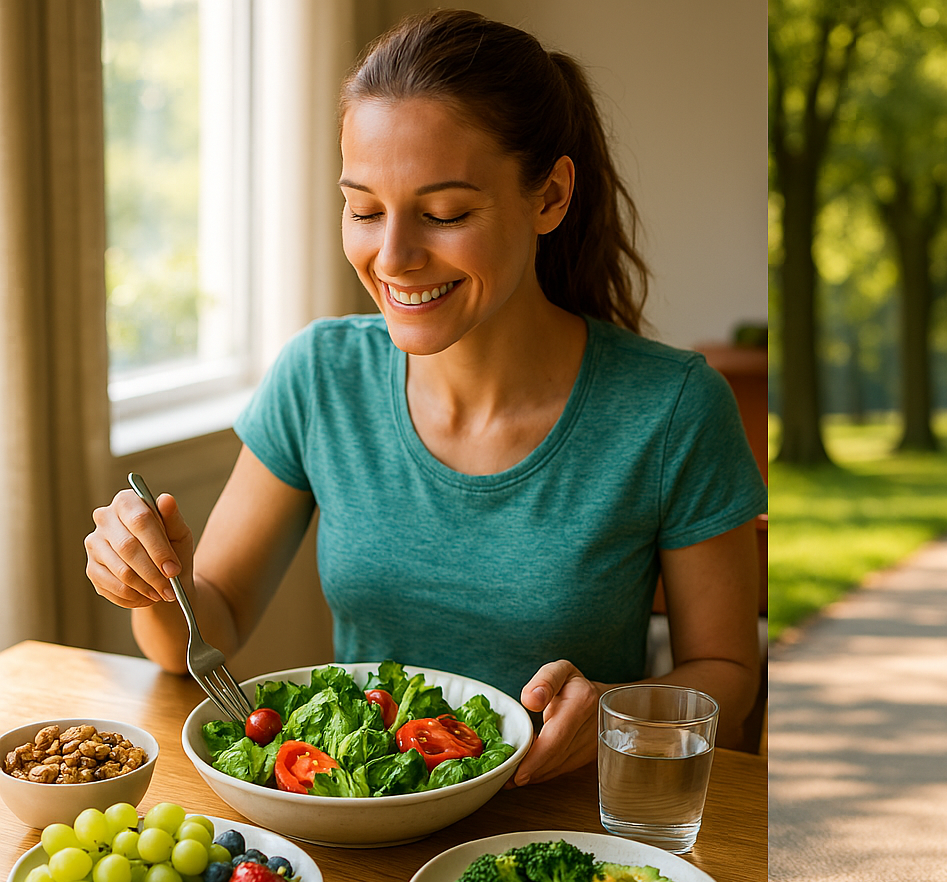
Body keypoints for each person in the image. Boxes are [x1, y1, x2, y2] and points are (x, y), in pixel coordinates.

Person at [83, 9, 765, 787]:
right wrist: (153, 583)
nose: (393, 257)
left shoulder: (674, 408)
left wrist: (613, 713)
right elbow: (209, 628)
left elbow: (729, 677)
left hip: (564, 821)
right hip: (361, 819)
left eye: (445, 214)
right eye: (365, 210)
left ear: (549, 197)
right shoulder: (321, 375)